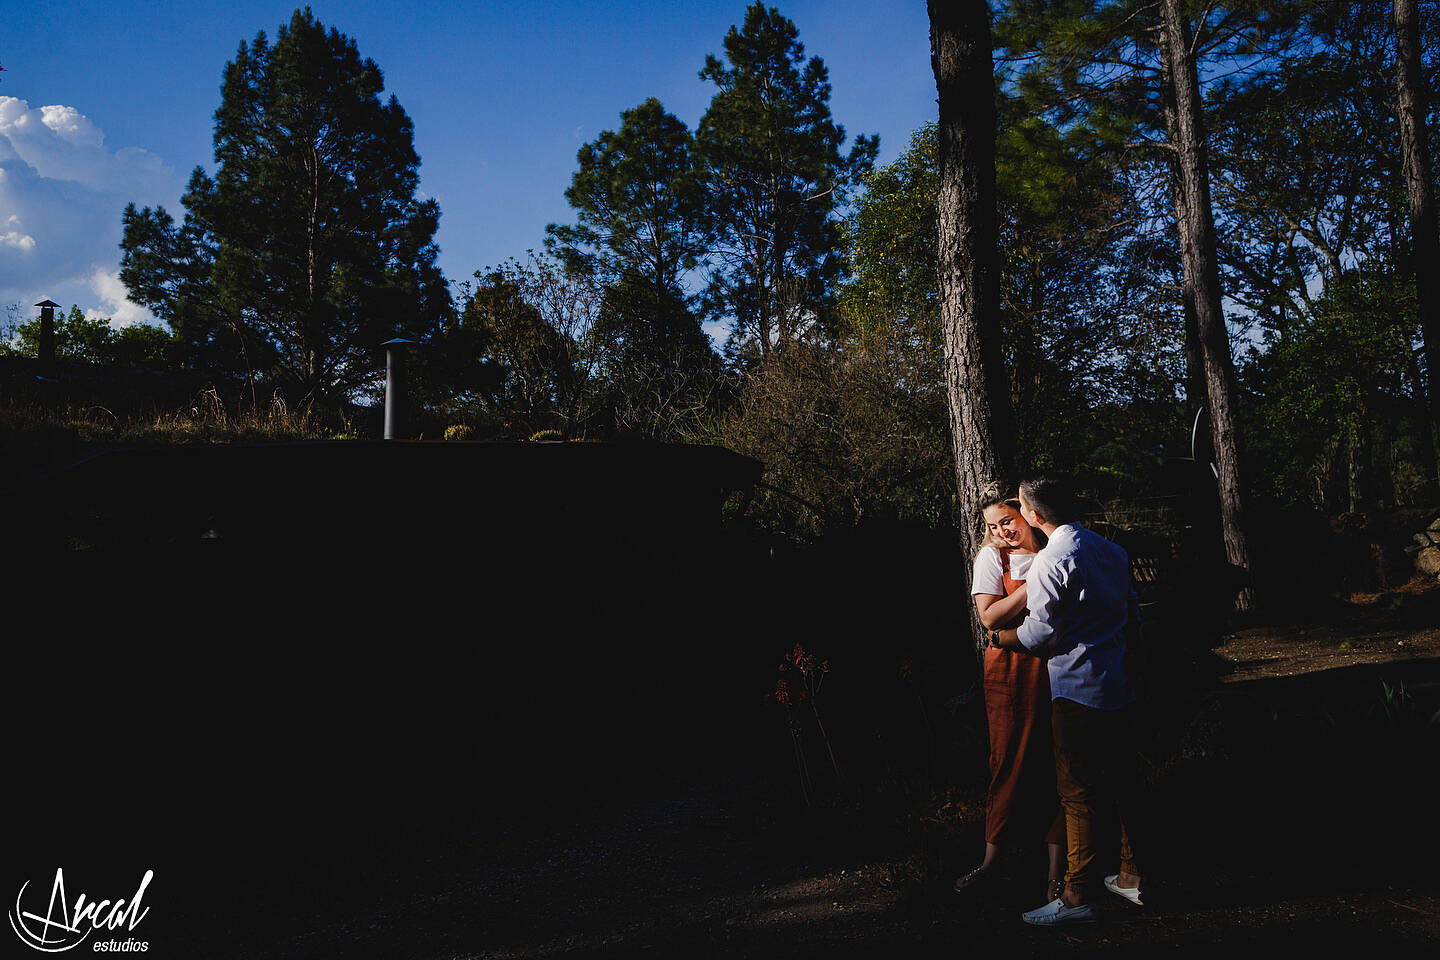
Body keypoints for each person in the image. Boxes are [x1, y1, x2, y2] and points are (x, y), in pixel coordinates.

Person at [988, 474, 1146, 926]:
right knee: (1122, 782)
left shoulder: (1050, 561)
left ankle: (1077, 897)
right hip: (1118, 683)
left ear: (1034, 515)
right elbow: (1131, 613)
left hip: (1076, 689)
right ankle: (1133, 877)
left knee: (1077, 796)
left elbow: (1038, 633)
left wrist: (1002, 637)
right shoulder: (1112, 550)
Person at [953, 496, 1066, 904]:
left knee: (1058, 763)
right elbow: (989, 617)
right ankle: (992, 862)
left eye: (1008, 521)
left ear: (1029, 515)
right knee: (1008, 760)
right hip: (1010, 667)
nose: (1002, 532)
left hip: (1056, 664)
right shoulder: (992, 559)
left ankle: (1057, 874)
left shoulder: (1055, 550)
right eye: (995, 526)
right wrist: (1035, 583)